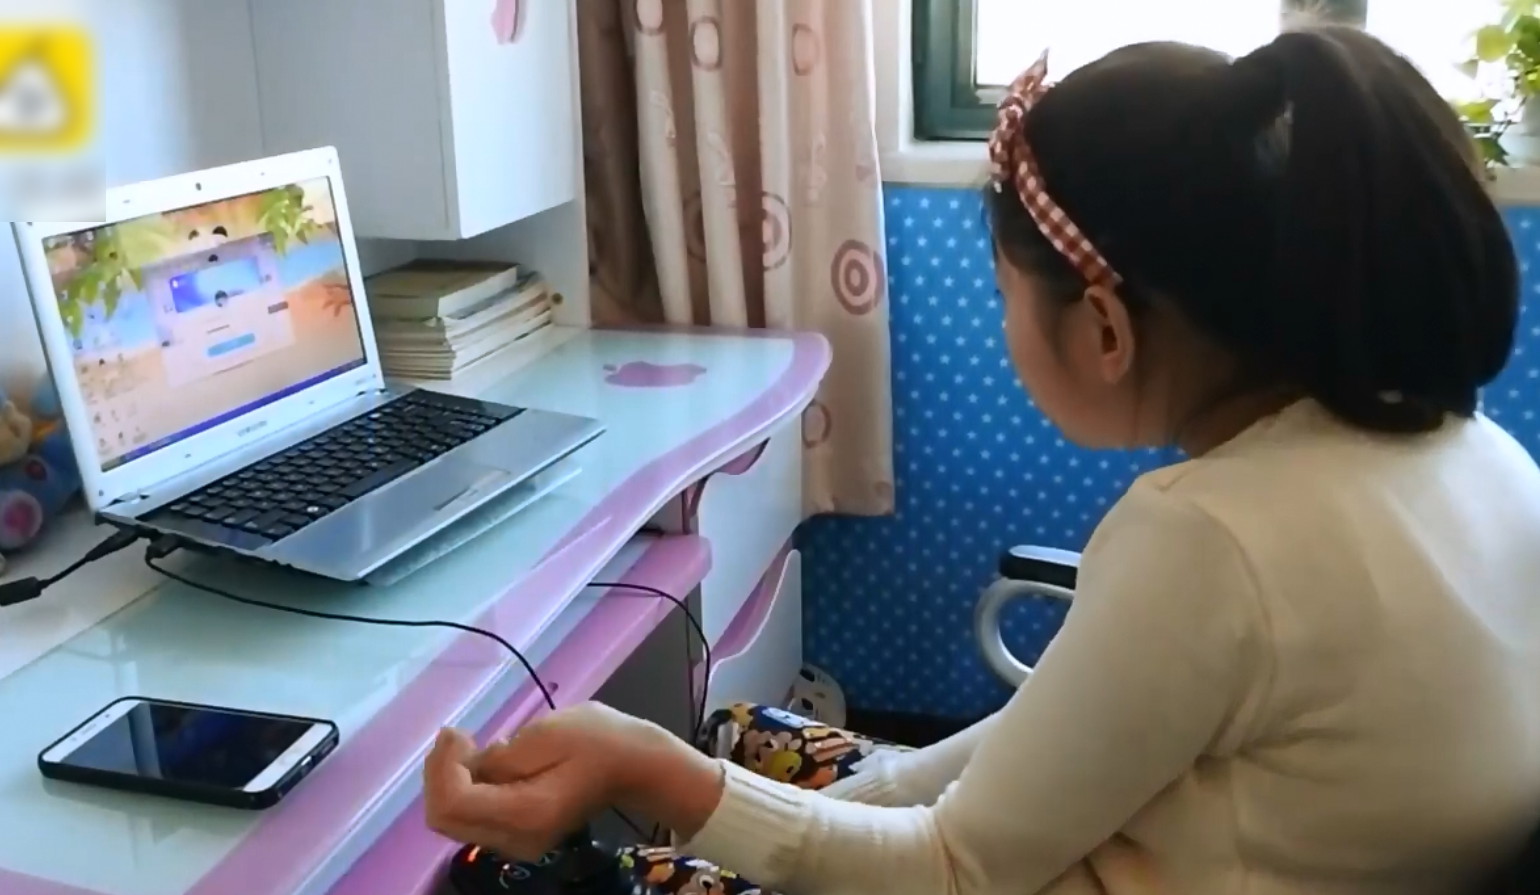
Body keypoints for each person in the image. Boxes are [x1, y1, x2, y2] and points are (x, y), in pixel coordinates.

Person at [423, 23, 1540, 895]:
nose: (1001, 327)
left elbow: (952, 870)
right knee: (738, 736)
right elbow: (1067, 736)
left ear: (1104, 328)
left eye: (1005, 293)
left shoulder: (1208, 539)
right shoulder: (1475, 452)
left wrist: (650, 774)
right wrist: (810, 792)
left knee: (588, 857)